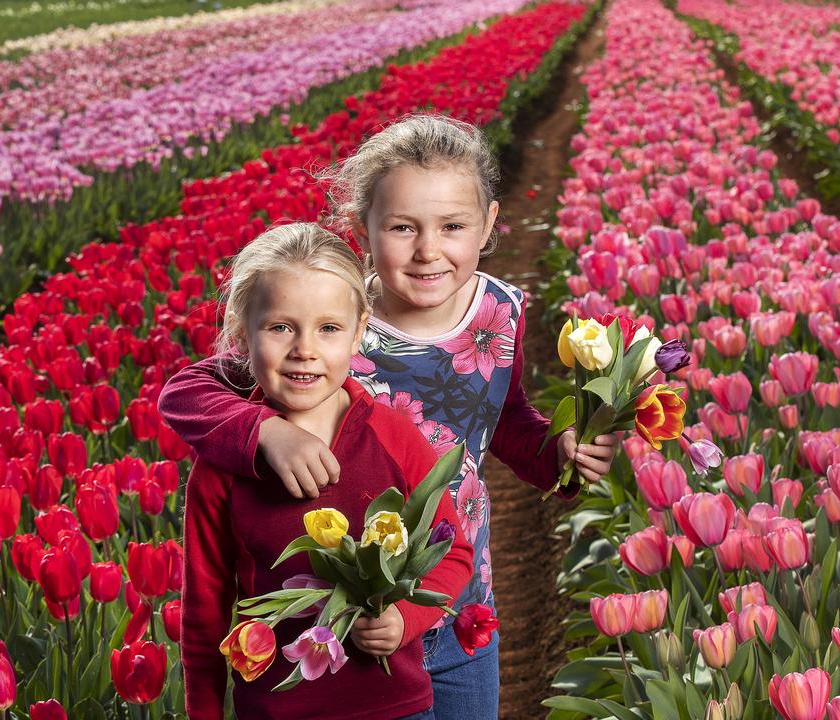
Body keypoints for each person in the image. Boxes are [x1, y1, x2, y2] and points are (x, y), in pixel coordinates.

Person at [162, 114, 618, 718]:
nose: (429, 250)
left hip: (458, 601)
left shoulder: (500, 313)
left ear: (487, 225)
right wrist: (264, 430)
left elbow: (502, 420)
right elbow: (187, 389)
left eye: (452, 226)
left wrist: (556, 454)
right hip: (348, 616)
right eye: (403, 227)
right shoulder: (333, 324)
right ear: (362, 228)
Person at [181, 223, 473, 720]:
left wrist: (404, 619)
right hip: (276, 710)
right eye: (280, 327)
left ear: (360, 330)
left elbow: (454, 553)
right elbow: (204, 613)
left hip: (395, 709)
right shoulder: (221, 469)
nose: (304, 349)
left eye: (329, 329)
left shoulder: (394, 437)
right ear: (240, 331)